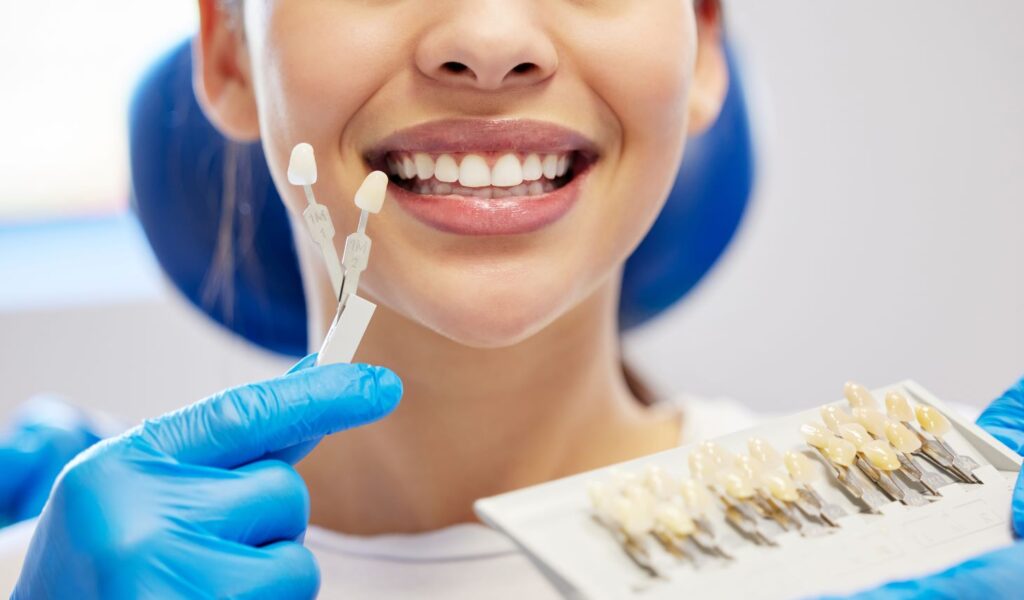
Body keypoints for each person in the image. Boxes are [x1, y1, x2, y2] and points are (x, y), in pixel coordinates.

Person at [3, 1, 1023, 598]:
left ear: (700, 43)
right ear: (227, 52)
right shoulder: (61, 571)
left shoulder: (939, 550)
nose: (490, 42)